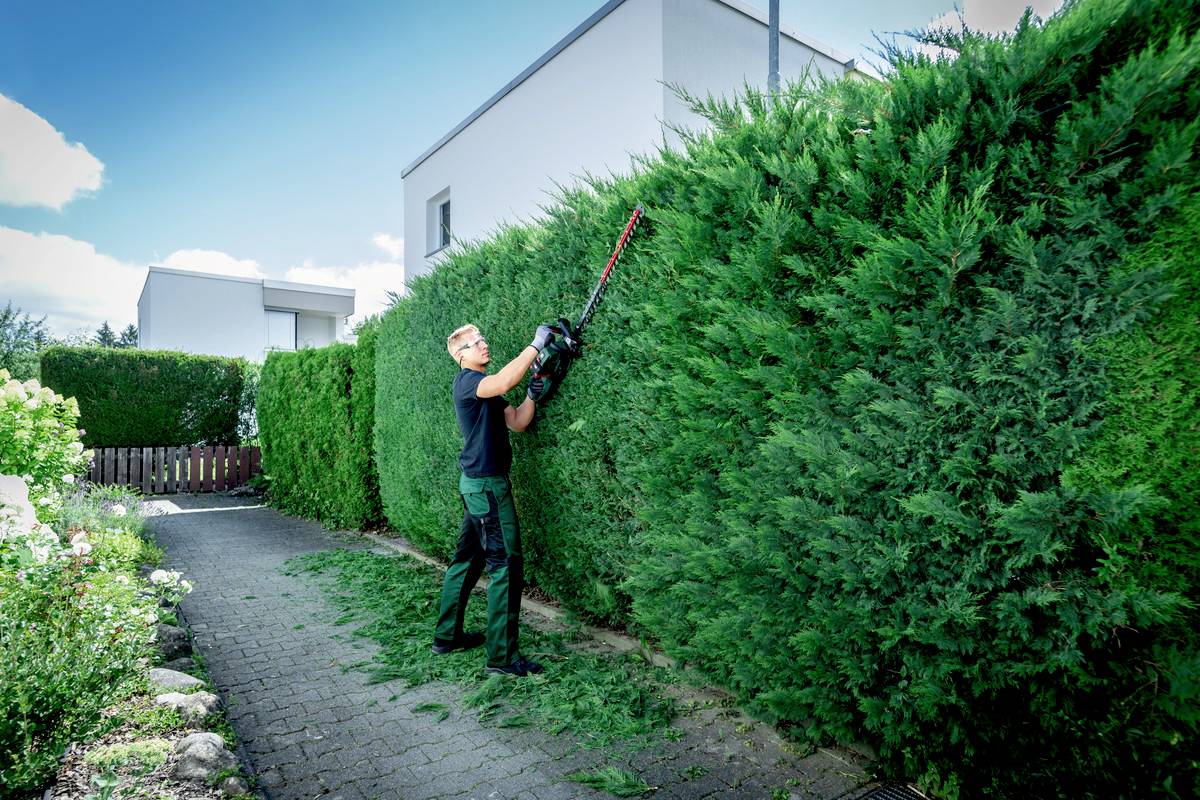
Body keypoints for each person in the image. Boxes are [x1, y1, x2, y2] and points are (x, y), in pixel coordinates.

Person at [431, 322, 554, 677]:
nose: (483, 344)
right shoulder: (469, 382)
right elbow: (502, 381)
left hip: (475, 486)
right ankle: (501, 656)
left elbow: (516, 422)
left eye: (482, 339)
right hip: (487, 487)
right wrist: (536, 345)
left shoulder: (484, 390)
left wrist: (533, 393)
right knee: (505, 564)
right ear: (461, 355)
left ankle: (447, 637)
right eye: (474, 343)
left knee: (467, 560)